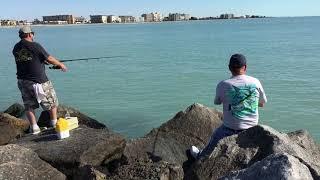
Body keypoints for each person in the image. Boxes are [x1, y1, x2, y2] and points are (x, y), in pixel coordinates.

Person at [190, 54, 267, 159]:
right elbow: (262, 103)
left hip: (230, 129)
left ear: (229, 68)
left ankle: (201, 156)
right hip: (252, 128)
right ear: (245, 67)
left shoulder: (223, 84)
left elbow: (217, 102)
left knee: (215, 136)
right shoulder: (255, 82)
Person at [12, 26, 68, 134]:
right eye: (32, 33)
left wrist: (41, 61)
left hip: (23, 81)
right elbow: (49, 58)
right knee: (52, 102)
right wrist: (61, 64)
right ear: (30, 34)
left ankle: (34, 127)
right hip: (40, 81)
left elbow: (28, 59)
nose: (33, 35)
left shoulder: (16, 48)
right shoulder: (35, 46)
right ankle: (54, 123)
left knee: (28, 105)